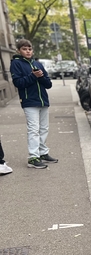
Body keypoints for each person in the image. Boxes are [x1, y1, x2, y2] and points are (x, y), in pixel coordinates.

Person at [10, 39, 57, 169]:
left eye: (29, 49)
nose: (28, 51)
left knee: (44, 128)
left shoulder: (38, 63)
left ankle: (43, 153)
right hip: (29, 101)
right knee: (33, 129)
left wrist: (41, 76)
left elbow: (48, 84)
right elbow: (18, 83)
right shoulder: (16, 64)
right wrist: (33, 76)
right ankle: (33, 157)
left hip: (43, 100)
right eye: (24, 49)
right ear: (19, 51)